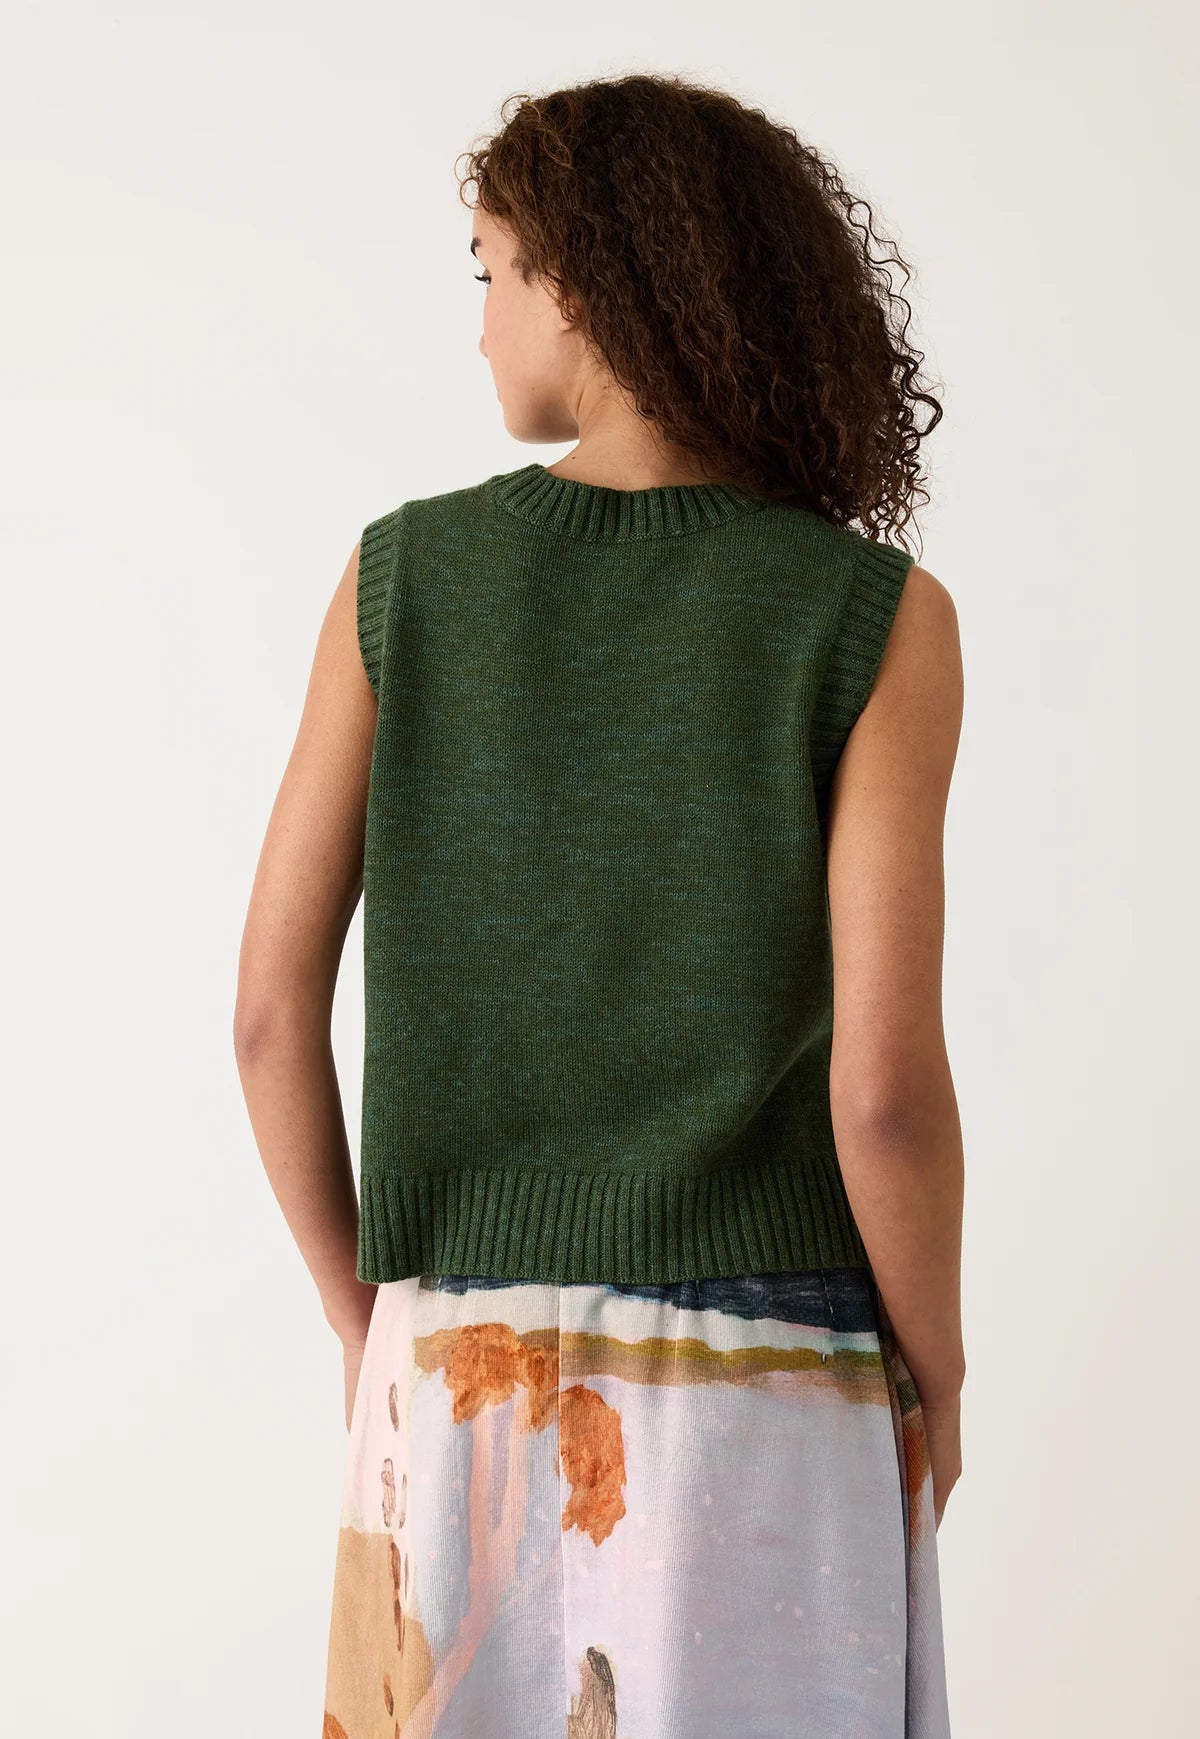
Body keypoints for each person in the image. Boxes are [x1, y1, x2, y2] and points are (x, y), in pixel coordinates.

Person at [234, 71, 964, 1739]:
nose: (483, 317)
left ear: (589, 277)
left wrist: (370, 1318)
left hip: (453, 1372)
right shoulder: (873, 615)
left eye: (492, 267)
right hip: (767, 1393)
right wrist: (940, 1372)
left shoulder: (403, 580)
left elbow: (270, 1014)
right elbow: (883, 1093)